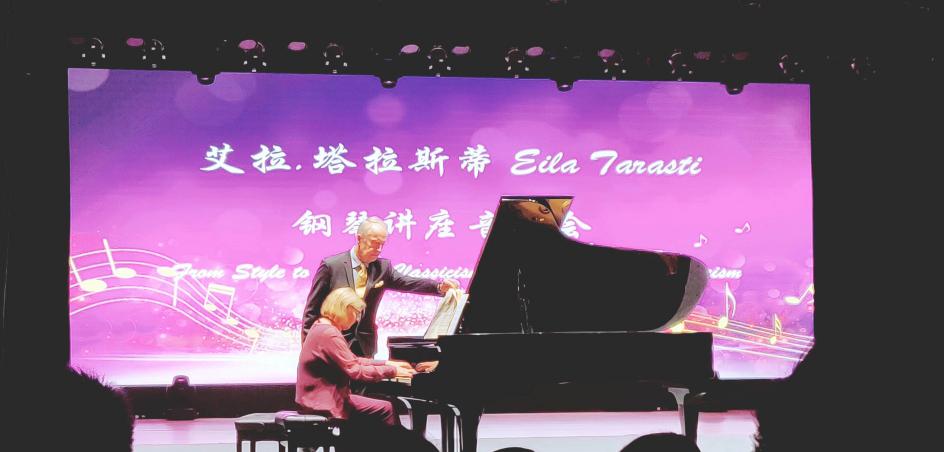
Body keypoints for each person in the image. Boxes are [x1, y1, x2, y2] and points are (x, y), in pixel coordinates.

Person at [301, 216, 459, 357]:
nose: (378, 249)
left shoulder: (383, 268)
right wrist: (308, 349)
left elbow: (408, 282)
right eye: (374, 243)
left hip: (364, 344)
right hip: (333, 342)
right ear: (359, 238)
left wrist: (439, 287)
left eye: (382, 244)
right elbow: (311, 311)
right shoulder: (331, 266)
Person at [296, 287, 416, 427]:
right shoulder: (329, 334)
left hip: (316, 398)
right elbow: (355, 370)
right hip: (324, 402)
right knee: (386, 408)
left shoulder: (320, 326)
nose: (357, 319)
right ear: (345, 309)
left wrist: (387, 363)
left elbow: (353, 360)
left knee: (379, 407)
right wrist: (392, 371)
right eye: (356, 313)